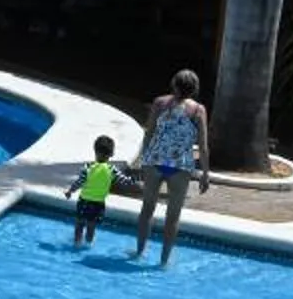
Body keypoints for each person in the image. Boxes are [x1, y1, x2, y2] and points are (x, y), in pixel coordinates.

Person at [130, 67, 211, 267]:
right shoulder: (198, 110)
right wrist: (205, 173)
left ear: (174, 84)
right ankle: (164, 261)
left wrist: (142, 160)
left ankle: (139, 252)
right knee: (173, 216)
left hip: (155, 161)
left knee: (147, 208)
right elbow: (203, 146)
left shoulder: (159, 103)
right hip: (180, 166)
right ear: (195, 89)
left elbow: (148, 134)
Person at [72, 134, 118, 246]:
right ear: (112, 154)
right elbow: (126, 181)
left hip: (84, 201)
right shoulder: (112, 169)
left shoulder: (88, 167)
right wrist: (138, 178)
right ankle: (88, 243)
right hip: (98, 203)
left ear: (95, 151)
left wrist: (70, 191)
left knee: (79, 224)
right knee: (91, 226)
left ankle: (77, 243)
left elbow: (79, 182)